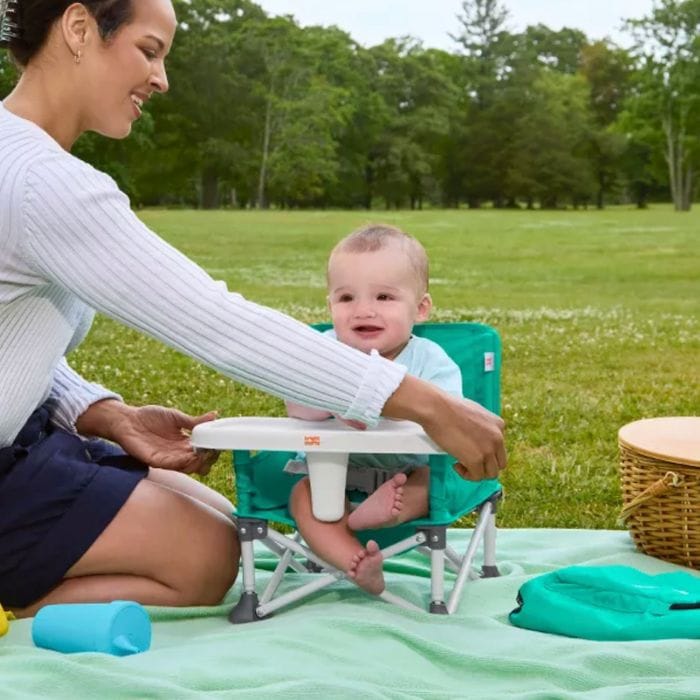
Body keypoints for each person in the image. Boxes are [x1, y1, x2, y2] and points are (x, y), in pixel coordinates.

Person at [0, 0, 506, 618]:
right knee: (212, 559)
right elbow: (217, 323)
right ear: (80, 30)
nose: (162, 79)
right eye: (149, 50)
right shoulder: (39, 180)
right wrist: (426, 401)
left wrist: (105, 413)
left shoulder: (20, 161)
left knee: (222, 519)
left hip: (28, 437)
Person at [286, 225, 465, 595]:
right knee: (302, 496)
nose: (363, 310)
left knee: (429, 485)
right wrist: (334, 400)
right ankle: (355, 560)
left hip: (405, 470)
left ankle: (385, 511)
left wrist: (382, 406)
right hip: (332, 472)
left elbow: (451, 420)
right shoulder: (324, 351)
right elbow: (297, 406)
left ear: (421, 308)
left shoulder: (431, 361)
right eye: (346, 297)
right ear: (330, 305)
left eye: (384, 297)